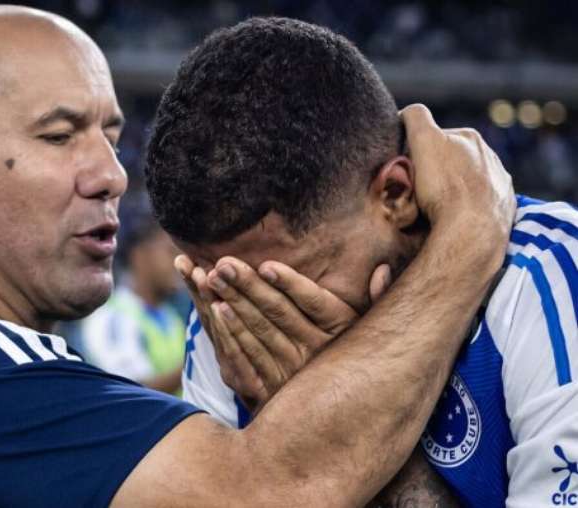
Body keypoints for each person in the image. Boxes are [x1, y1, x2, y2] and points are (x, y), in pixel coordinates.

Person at [0, 6, 515, 507]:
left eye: (110, 135)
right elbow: (273, 494)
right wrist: (465, 243)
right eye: (59, 137)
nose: (112, 174)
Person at [145, 17, 577, 507]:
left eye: (282, 282)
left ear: (394, 194)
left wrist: (329, 433)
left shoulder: (549, 275)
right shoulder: (226, 314)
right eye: (221, 284)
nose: (254, 311)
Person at [80, 212, 186, 393]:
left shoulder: (170, 317)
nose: (179, 262)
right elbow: (131, 392)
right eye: (170, 252)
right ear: (139, 256)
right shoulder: (113, 317)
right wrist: (197, 363)